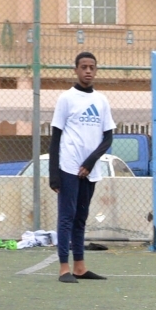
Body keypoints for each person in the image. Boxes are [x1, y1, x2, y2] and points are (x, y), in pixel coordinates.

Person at [49, 52, 113, 283]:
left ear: (96, 70)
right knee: (67, 216)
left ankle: (80, 267)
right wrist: (53, 174)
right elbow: (55, 136)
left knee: (81, 217)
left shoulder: (101, 101)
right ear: (75, 70)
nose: (88, 71)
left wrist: (90, 163)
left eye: (92, 67)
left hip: (90, 170)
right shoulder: (66, 98)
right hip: (68, 166)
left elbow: (108, 138)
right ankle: (64, 268)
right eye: (83, 67)